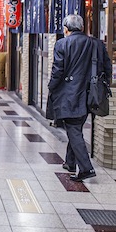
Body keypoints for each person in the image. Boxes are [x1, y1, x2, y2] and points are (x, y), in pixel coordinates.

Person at [46, 14, 111, 182]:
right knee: (76, 128)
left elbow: (58, 70)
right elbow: (107, 67)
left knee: (73, 130)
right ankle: (70, 162)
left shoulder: (62, 44)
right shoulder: (96, 43)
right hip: (92, 95)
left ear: (66, 29)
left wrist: (52, 86)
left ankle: (86, 168)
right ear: (82, 28)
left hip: (70, 95)